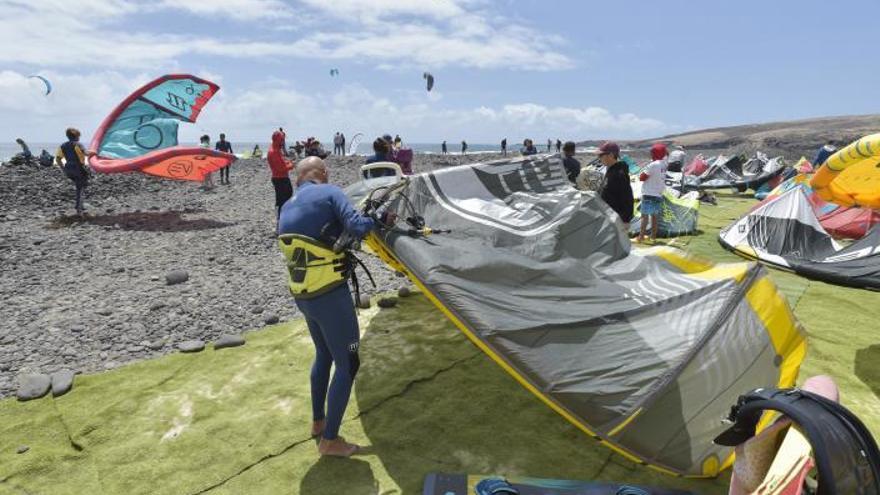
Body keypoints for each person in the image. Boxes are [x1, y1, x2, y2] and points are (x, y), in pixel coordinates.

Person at [277, 156, 385, 457]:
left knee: (323, 354)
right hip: (329, 293)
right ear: (322, 173)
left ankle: (318, 422)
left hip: (303, 295)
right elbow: (358, 227)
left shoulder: (287, 205)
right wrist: (377, 218)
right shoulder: (331, 192)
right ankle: (331, 441)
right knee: (348, 363)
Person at [54, 128, 91, 216]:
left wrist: (63, 169)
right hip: (78, 168)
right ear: (76, 136)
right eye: (79, 136)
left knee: (80, 186)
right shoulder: (78, 144)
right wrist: (95, 151)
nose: (79, 138)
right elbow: (86, 153)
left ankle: (79, 206)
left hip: (68, 169)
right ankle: (79, 209)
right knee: (81, 188)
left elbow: (58, 159)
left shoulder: (63, 146)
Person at [637, 143, 669, 243]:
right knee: (654, 217)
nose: (650, 154)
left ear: (655, 153)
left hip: (649, 193)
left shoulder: (653, 164)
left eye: (652, 153)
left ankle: (641, 237)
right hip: (658, 193)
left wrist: (642, 172)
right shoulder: (664, 164)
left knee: (644, 216)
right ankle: (653, 236)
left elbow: (642, 178)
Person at [597, 142, 634, 224]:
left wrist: (626, 220)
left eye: (601, 155)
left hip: (617, 219)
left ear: (610, 155)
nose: (599, 158)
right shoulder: (611, 170)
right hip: (608, 217)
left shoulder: (619, 173)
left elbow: (627, 196)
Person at [268, 130, 294, 220]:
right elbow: (280, 168)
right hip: (280, 178)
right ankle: (281, 219)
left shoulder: (275, 149)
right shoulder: (274, 151)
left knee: (284, 198)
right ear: (279, 140)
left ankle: (282, 218)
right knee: (282, 200)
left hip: (280, 178)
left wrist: (287, 162)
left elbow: (281, 163)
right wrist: (291, 165)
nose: (283, 142)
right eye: (282, 140)